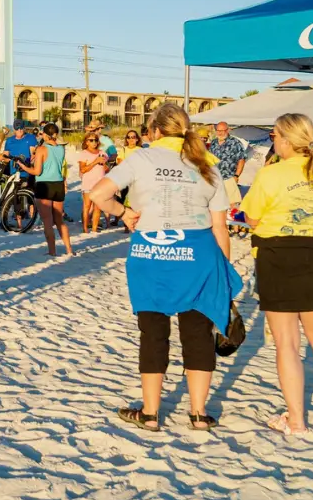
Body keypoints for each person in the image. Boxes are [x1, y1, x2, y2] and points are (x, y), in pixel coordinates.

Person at [89, 103, 241, 432]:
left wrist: (123, 213)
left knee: (154, 333)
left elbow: (98, 193)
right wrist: (224, 274)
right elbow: (220, 226)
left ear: (155, 131)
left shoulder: (142, 158)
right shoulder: (206, 163)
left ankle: (150, 413)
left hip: (152, 250)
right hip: (199, 254)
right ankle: (199, 414)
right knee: (199, 334)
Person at [239, 113, 313, 435]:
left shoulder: (272, 174)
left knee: (287, 344)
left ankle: (297, 420)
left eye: (274, 135)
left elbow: (251, 216)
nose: (272, 140)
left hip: (279, 258)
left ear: (287, 140)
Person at [19, 122, 71, 255]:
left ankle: (52, 251)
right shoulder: (61, 148)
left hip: (44, 185)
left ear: (45, 135)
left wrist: (23, 166)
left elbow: (37, 171)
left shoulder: (42, 149)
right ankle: (69, 250)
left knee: (47, 221)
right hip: (58, 184)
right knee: (59, 220)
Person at [207, 122, 247, 207]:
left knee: (232, 205)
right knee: (215, 204)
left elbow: (241, 159)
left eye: (222, 130)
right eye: (218, 130)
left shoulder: (235, 143)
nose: (220, 133)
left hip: (229, 178)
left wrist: (236, 175)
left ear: (228, 130)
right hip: (215, 178)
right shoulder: (213, 143)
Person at [77, 133, 108, 233]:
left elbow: (106, 169)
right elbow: (83, 169)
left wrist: (104, 164)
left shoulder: (102, 152)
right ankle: (85, 229)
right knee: (87, 206)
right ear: (86, 142)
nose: (94, 142)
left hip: (100, 183)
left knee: (98, 207)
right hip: (88, 183)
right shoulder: (84, 153)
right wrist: (95, 161)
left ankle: (94, 229)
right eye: (91, 140)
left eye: (95, 140)